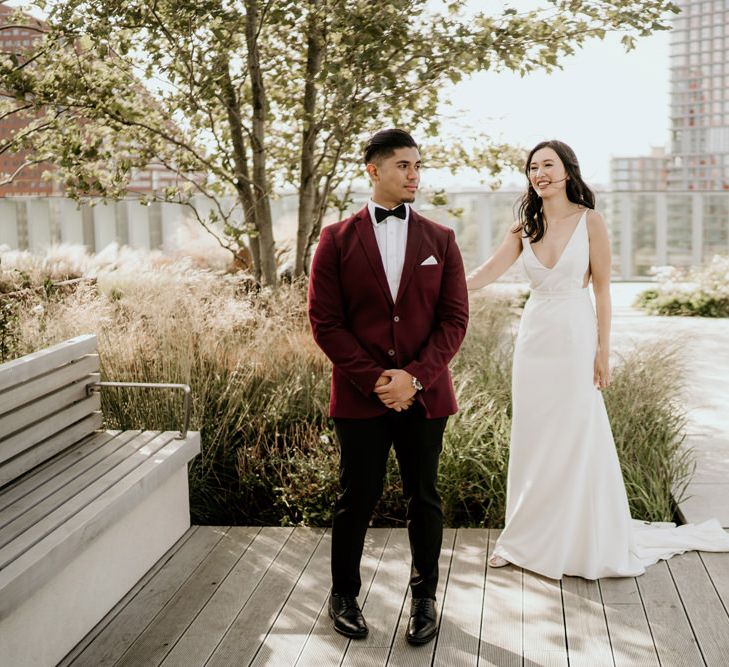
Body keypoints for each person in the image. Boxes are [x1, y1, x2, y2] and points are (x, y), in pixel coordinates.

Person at [466, 139, 729, 580]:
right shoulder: (522, 228)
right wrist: (435, 282)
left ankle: (577, 536)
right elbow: (486, 273)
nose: (539, 173)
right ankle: (522, 538)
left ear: (568, 170)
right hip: (534, 341)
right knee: (534, 436)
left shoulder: (591, 221)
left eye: (548, 165)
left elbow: (603, 291)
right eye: (533, 167)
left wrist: (603, 351)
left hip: (575, 335)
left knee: (573, 434)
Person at [308, 129, 469, 643]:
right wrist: (377, 379)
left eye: (418, 165)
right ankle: (343, 595)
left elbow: (455, 319)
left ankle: (425, 599)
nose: (414, 174)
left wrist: (415, 378)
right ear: (373, 171)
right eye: (403, 165)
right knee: (357, 496)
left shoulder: (441, 239)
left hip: (425, 397)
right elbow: (325, 321)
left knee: (424, 497)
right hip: (361, 396)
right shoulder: (335, 240)